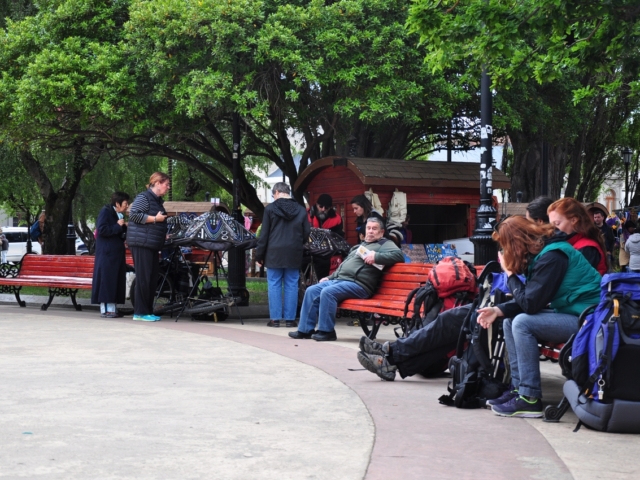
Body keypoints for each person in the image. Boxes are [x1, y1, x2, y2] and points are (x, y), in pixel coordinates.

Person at [476, 216, 601, 418]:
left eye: (506, 246)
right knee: (509, 321)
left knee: (522, 323)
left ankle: (529, 398)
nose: (506, 252)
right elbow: (534, 298)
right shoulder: (545, 253)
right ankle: (519, 389)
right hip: (573, 313)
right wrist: (499, 311)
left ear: (518, 241)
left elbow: (531, 304)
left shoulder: (553, 256)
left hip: (588, 321)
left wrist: (509, 275)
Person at [290, 217, 404, 341]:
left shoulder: (385, 244)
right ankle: (305, 330)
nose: (370, 231)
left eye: (374, 229)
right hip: (340, 280)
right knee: (311, 290)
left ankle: (326, 331)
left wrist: (376, 256)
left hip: (359, 285)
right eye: (368, 228)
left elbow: (399, 255)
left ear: (381, 232)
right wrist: (329, 277)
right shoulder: (359, 246)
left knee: (328, 293)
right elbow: (343, 266)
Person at [256, 182, 310, 328]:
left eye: (273, 195)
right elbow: (306, 232)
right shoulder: (300, 209)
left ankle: (275, 319)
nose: (273, 198)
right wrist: (298, 243)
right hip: (294, 251)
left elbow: (264, 234)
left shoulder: (270, 209)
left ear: (278, 192)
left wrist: (259, 255)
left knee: (274, 284)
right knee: (292, 284)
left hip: (274, 252)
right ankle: (290, 319)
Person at [126, 172, 171, 322]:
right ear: (157, 183)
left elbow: (153, 224)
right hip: (141, 244)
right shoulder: (144, 197)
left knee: (151, 278)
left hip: (150, 243)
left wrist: (162, 233)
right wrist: (155, 219)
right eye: (166, 184)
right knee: (144, 278)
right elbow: (134, 215)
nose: (168, 187)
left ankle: (147, 311)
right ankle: (139, 312)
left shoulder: (157, 201)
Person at [91, 192, 130, 318]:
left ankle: (113, 308)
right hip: (107, 254)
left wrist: (124, 227)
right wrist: (118, 226)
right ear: (117, 203)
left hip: (115, 254)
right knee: (107, 281)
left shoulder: (117, 214)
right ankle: (107, 309)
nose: (127, 206)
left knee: (114, 280)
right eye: (125, 203)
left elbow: (117, 231)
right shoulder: (106, 211)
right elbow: (101, 230)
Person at [547, 197, 608, 275]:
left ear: (573, 220)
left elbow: (575, 278)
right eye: (551, 225)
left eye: (557, 223)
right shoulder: (574, 242)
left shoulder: (586, 247)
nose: (552, 229)